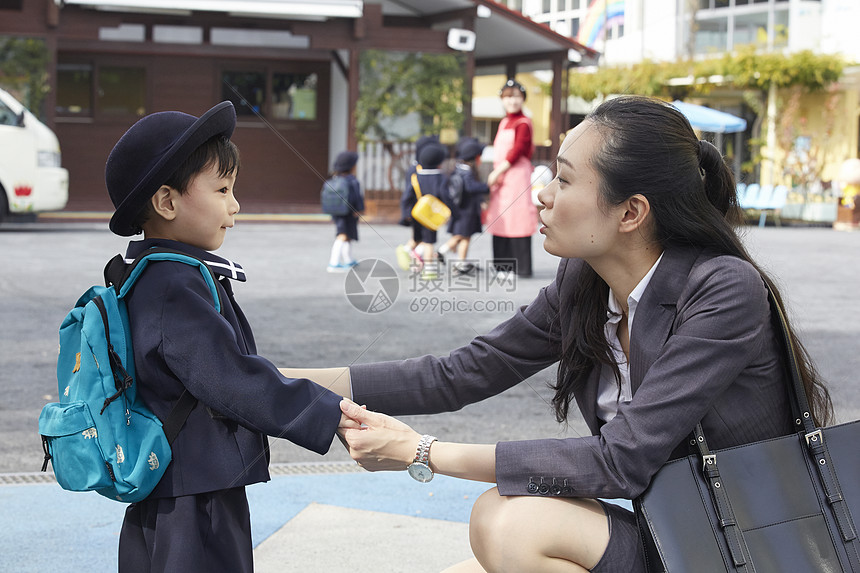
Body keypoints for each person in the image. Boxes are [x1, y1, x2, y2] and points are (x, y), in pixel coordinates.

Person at [288, 96, 832, 572]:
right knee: (495, 527)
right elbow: (461, 373)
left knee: (511, 525)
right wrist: (273, 383)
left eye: (565, 179)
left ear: (631, 212)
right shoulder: (586, 281)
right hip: (665, 532)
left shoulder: (722, 289)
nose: (542, 195)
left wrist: (420, 451)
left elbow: (619, 461)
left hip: (740, 547)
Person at [103, 101, 346, 572]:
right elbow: (228, 377)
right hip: (196, 492)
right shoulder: (174, 283)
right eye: (222, 189)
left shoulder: (151, 275)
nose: (234, 205)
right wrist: (325, 413)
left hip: (167, 484)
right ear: (167, 202)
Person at [485, 78, 539, 278]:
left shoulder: (524, 123)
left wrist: (498, 172)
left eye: (516, 97)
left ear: (523, 99)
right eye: (508, 97)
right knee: (500, 218)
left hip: (515, 176)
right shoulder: (504, 122)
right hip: (502, 177)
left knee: (518, 218)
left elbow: (517, 151)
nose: (512, 101)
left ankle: (520, 268)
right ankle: (502, 267)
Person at [438, 137, 489, 276]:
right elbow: (471, 187)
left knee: (461, 236)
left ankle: (460, 262)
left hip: (460, 209)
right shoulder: (467, 172)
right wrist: (486, 187)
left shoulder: (457, 168)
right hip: (467, 211)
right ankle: (444, 252)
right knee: (464, 237)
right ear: (474, 157)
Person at [396, 134, 440, 271]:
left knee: (421, 237)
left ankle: (415, 258)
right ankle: (407, 250)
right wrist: (407, 213)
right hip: (419, 211)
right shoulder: (416, 170)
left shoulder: (422, 168)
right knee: (423, 238)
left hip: (424, 211)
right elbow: (408, 194)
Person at [408, 141, 449, 280]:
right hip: (430, 215)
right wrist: (451, 211)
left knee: (419, 238)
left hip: (417, 213)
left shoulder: (416, 176)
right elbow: (445, 195)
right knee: (429, 242)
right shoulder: (441, 177)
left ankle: (413, 261)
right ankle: (429, 269)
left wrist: (406, 214)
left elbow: (407, 196)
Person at [326, 150, 364, 273]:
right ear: (351, 166)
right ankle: (334, 263)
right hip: (349, 213)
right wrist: (359, 209)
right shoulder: (352, 181)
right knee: (342, 236)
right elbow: (357, 197)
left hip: (337, 212)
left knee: (347, 236)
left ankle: (348, 260)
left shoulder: (334, 179)